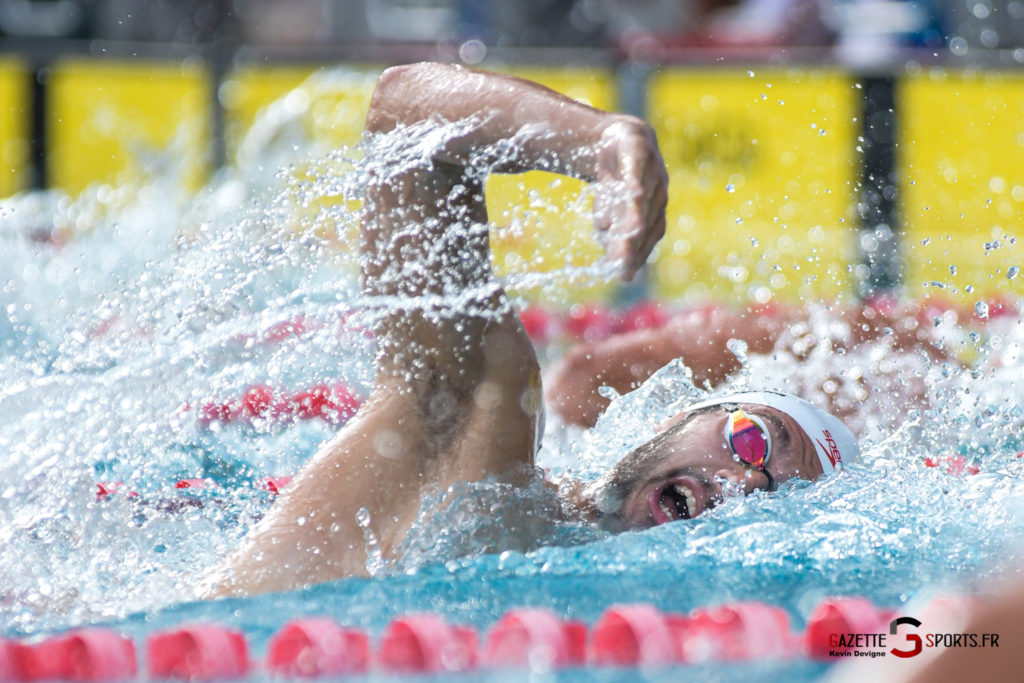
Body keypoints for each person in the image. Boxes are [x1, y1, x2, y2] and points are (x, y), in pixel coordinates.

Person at [198, 62, 858, 599]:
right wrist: (599, 140)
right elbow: (404, 113)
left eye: (779, 499)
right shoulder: (478, 445)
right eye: (750, 439)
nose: (743, 486)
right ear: (676, 417)